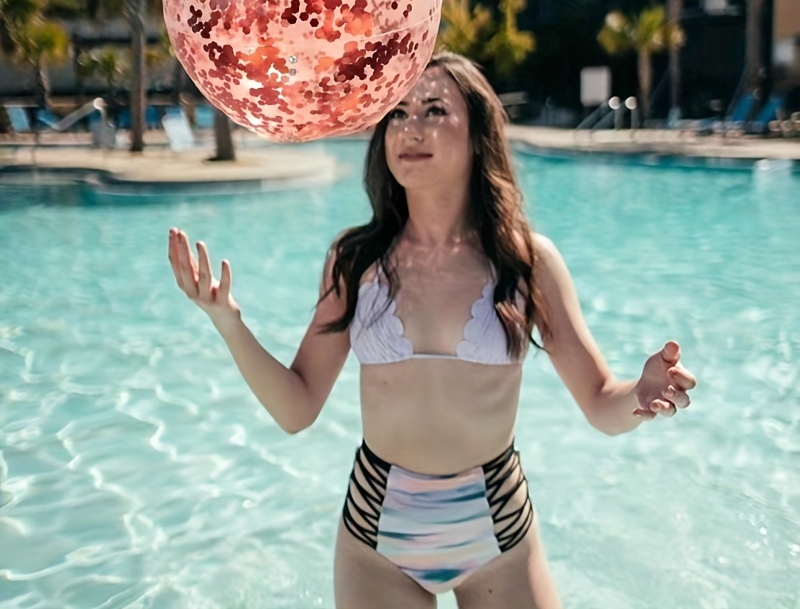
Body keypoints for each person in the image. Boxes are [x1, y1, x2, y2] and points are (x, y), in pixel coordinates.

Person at [167, 51, 697, 608]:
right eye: (396, 112)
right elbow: (297, 408)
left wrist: (638, 396)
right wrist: (229, 323)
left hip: (498, 532)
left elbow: (598, 401)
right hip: (377, 537)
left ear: (476, 136)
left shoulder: (526, 263)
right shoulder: (355, 261)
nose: (410, 128)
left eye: (434, 109)